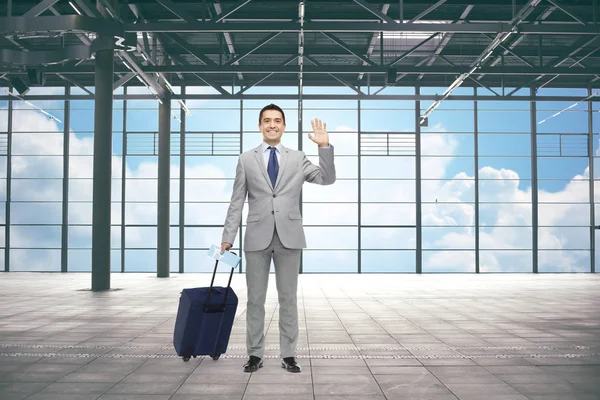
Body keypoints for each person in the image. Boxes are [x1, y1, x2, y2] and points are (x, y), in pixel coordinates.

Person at [220, 104, 336, 373]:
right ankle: (254, 354)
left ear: (284, 126)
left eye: (277, 121)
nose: (272, 125)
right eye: (267, 121)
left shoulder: (297, 158)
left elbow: (326, 178)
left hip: (289, 237)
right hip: (256, 238)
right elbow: (237, 200)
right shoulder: (246, 159)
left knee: (288, 299)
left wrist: (325, 147)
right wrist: (228, 236)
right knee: (255, 300)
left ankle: (289, 354)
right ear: (259, 126)